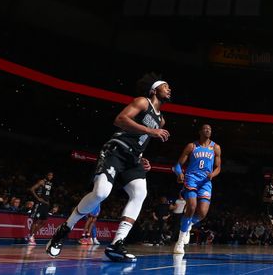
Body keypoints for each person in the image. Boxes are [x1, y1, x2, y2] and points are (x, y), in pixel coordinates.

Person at [45, 74, 171, 262]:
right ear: (154, 90)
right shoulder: (143, 102)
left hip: (133, 159)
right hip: (116, 150)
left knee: (140, 193)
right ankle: (64, 230)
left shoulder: (161, 121)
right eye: (165, 86)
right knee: (101, 193)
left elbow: (142, 141)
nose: (169, 89)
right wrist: (150, 131)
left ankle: (116, 243)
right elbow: (120, 120)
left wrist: (143, 158)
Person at [173, 124, 221, 254]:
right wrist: (179, 173)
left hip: (205, 181)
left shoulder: (215, 147)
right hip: (191, 178)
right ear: (200, 131)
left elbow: (218, 167)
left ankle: (189, 224)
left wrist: (213, 174)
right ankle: (179, 242)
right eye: (205, 128)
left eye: (210, 129)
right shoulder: (191, 146)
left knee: (202, 213)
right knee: (192, 207)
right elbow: (177, 165)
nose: (208, 130)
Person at [26, 171, 54, 244]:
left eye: (51, 175)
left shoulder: (50, 183)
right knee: (35, 220)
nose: (50, 176)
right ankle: (31, 237)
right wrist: (38, 198)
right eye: (49, 175)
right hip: (40, 203)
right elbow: (32, 189)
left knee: (44, 222)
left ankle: (32, 235)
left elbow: (46, 193)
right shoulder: (42, 181)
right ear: (46, 175)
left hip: (46, 204)